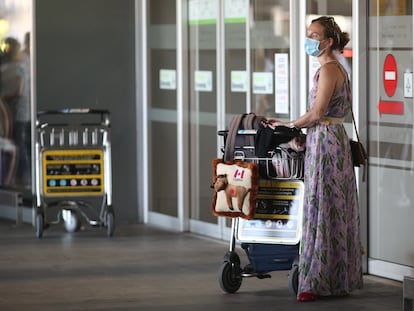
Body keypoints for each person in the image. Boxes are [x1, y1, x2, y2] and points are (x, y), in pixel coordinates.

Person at [273, 16, 363, 301]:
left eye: (314, 35)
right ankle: (336, 279)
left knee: (322, 207)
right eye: (308, 33)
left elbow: (316, 113)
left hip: (325, 143)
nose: (309, 39)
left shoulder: (328, 70)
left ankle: (317, 282)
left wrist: (289, 125)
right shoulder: (337, 69)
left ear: (328, 41)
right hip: (330, 140)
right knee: (334, 208)